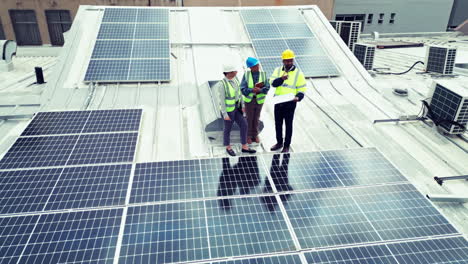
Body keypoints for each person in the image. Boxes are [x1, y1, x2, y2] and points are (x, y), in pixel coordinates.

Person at [269, 49, 307, 153]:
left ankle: (286, 145)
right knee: (278, 123)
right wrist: (281, 79)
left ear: (293, 60)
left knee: (288, 124)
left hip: (290, 103)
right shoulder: (277, 71)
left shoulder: (298, 73)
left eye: (290, 60)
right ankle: (279, 142)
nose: (288, 63)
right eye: (286, 61)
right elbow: (272, 83)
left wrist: (298, 97)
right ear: (283, 61)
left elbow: (302, 89)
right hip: (278, 101)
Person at [215, 63, 256, 156]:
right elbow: (221, 101)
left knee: (244, 124)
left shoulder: (236, 79)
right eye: (234, 71)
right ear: (228, 73)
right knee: (227, 129)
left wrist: (243, 106)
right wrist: (225, 114)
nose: (236, 72)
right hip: (229, 111)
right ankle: (228, 147)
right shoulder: (222, 84)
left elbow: (240, 94)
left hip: (237, 109)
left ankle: (244, 146)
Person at [240, 57, 270, 144]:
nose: (257, 67)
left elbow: (267, 87)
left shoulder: (263, 74)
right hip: (250, 101)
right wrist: (252, 90)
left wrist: (260, 90)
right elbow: (242, 89)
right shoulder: (246, 75)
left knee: (256, 118)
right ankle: (248, 136)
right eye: (255, 66)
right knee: (249, 118)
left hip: (259, 101)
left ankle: (255, 135)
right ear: (251, 67)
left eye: (257, 65)